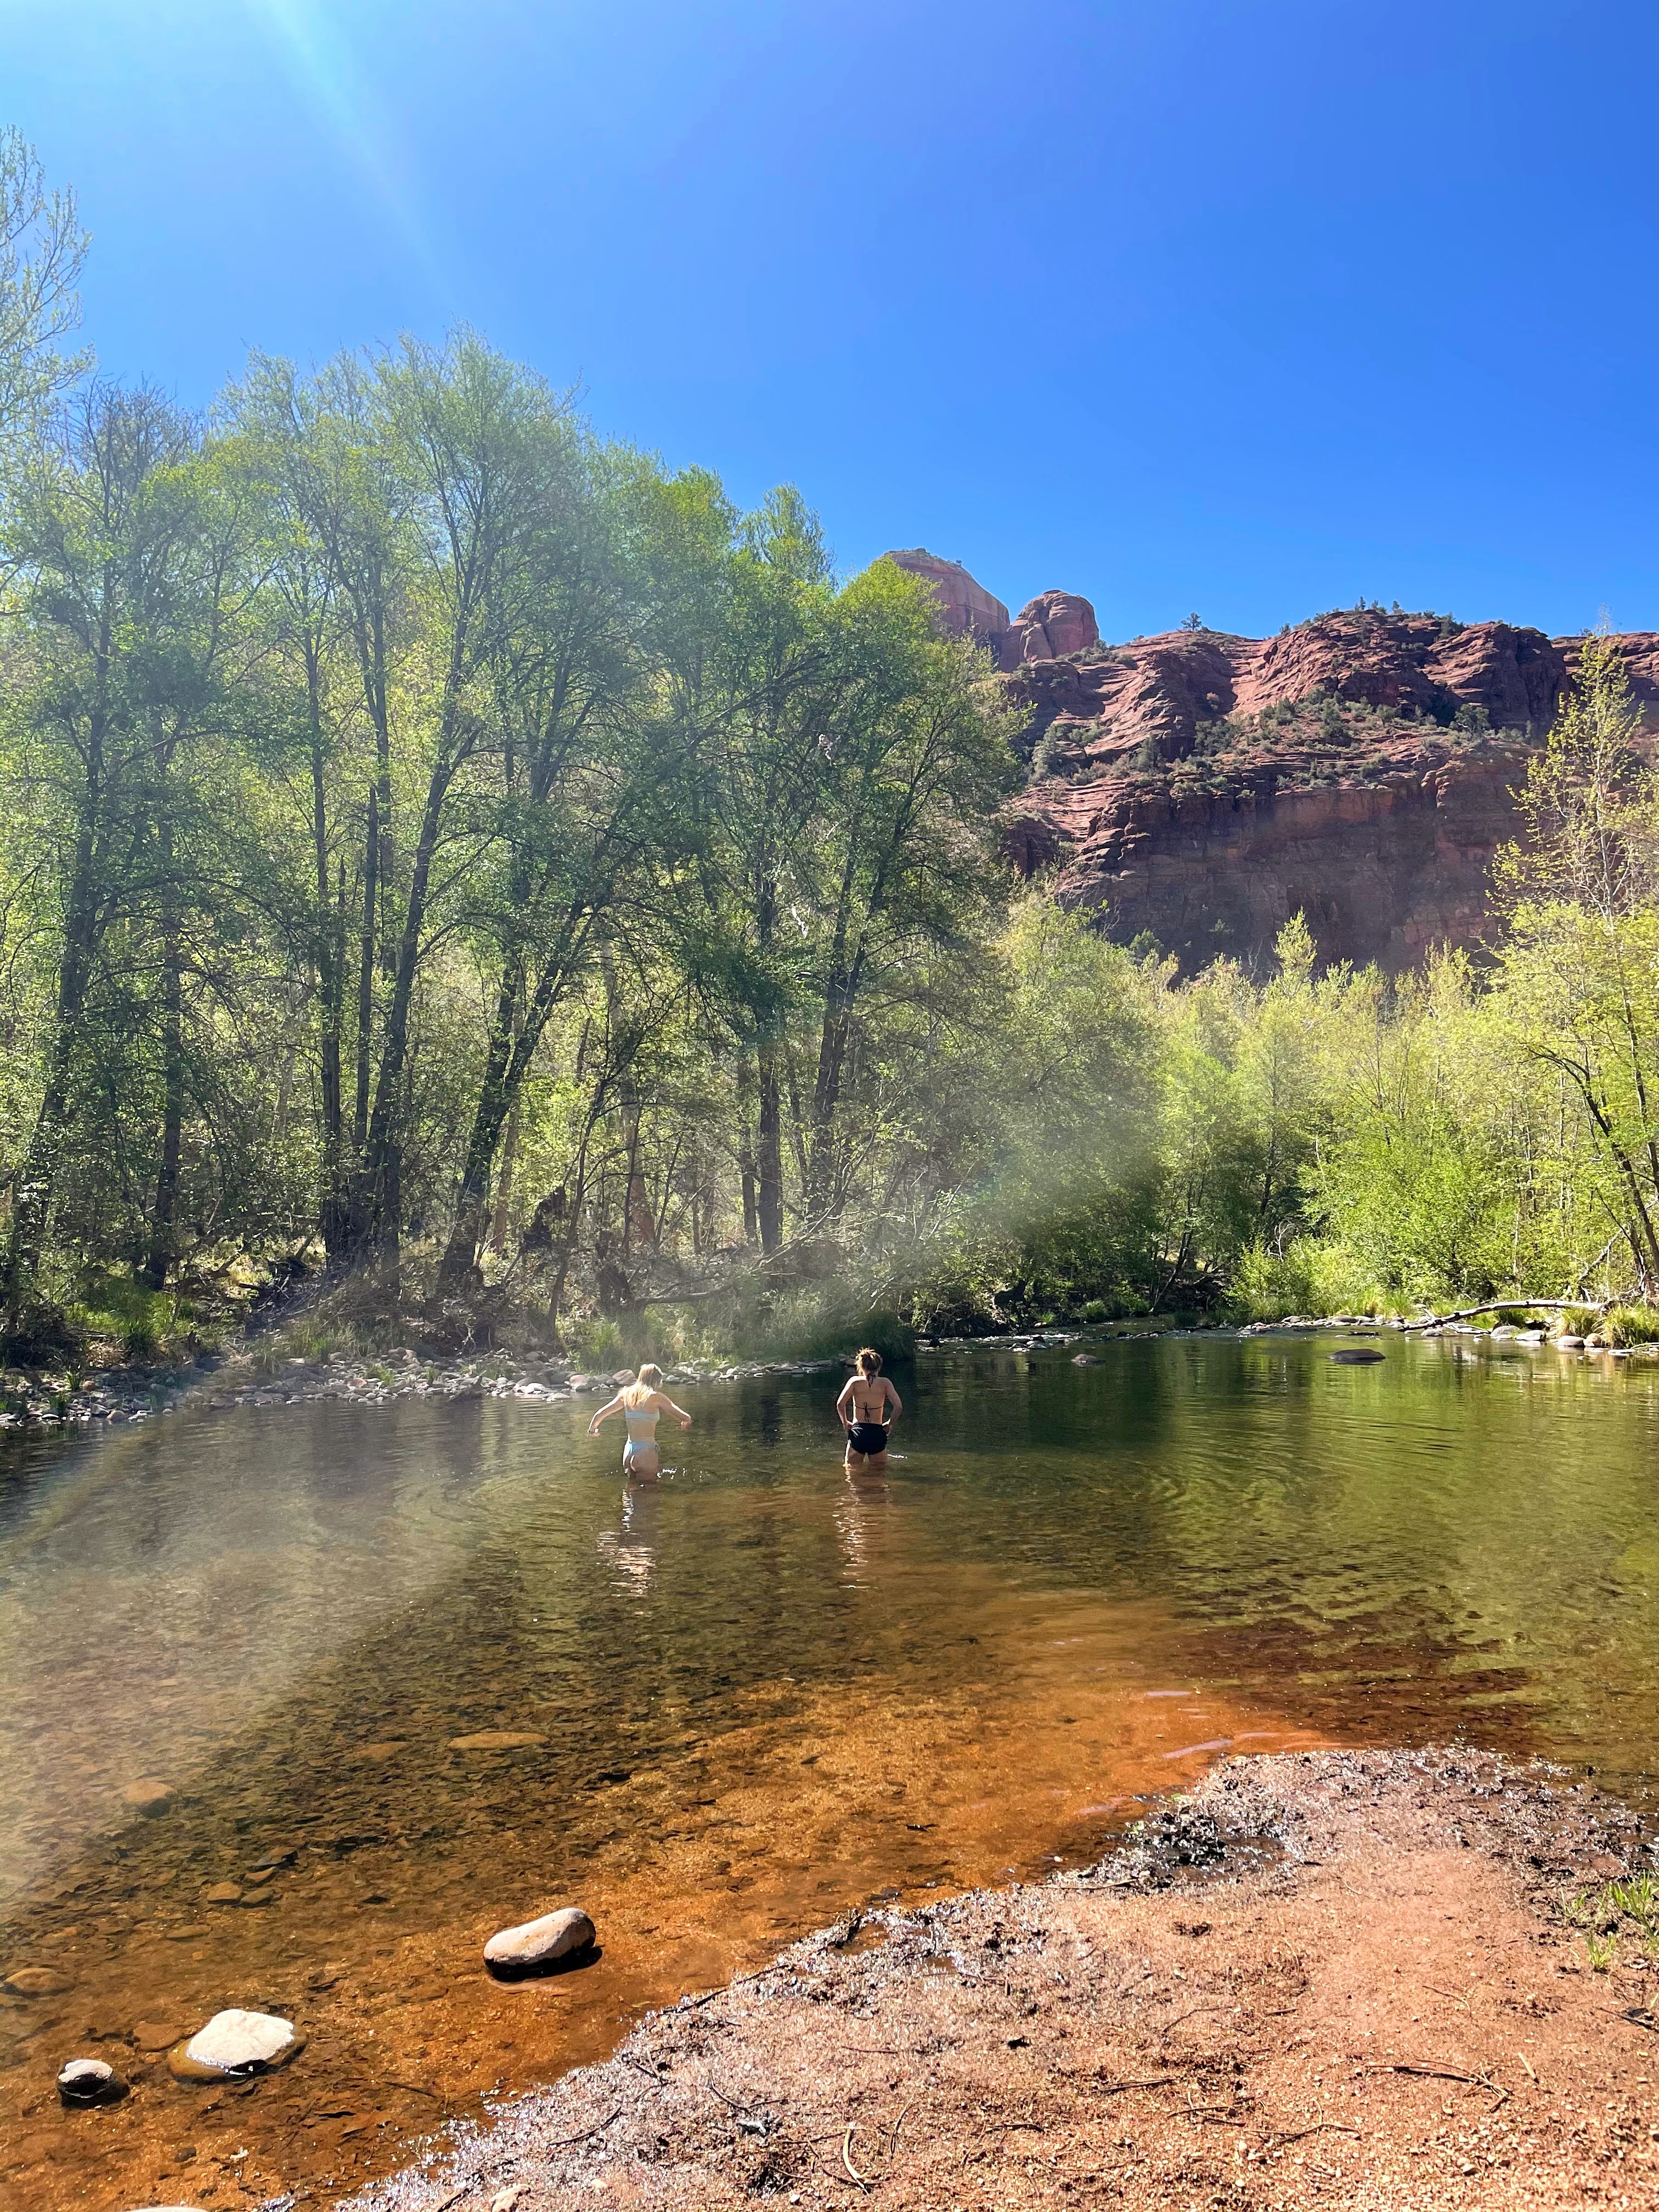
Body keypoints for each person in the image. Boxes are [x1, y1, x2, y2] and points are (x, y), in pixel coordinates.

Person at [588, 1363, 691, 1476]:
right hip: (646, 1450)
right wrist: (685, 1422)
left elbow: (600, 1414)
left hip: (629, 1450)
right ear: (656, 1381)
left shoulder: (626, 1394)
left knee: (630, 1490)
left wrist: (592, 1430)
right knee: (650, 1490)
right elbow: (685, 1417)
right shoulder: (656, 1397)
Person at [836, 1347, 901, 1468]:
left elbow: (840, 1404)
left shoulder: (854, 1381)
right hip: (877, 1433)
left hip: (858, 1433)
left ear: (861, 1366)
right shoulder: (885, 1383)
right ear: (879, 1367)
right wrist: (890, 1423)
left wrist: (845, 1423)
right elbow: (898, 1407)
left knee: (852, 1473)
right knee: (880, 1474)